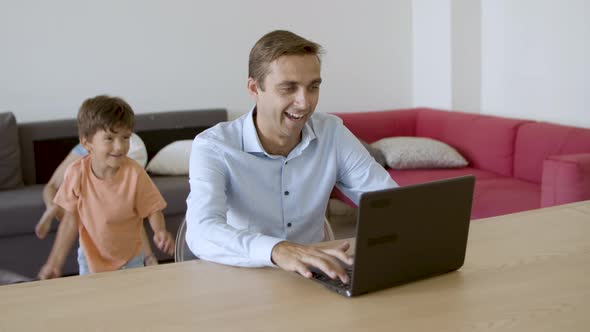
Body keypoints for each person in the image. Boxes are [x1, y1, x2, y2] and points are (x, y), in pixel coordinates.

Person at [185, 30, 397, 284]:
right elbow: (201, 231)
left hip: (317, 278)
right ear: (254, 88)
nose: (304, 103)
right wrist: (277, 250)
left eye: (313, 87)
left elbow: (390, 201)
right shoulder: (213, 146)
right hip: (242, 279)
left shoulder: (332, 132)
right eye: (288, 88)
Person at [38, 95, 175, 279]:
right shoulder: (76, 173)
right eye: (109, 138)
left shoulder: (134, 173)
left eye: (125, 137)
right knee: (95, 305)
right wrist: (54, 263)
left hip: (130, 259)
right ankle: (51, 208)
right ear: (86, 142)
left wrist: (160, 231)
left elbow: (152, 208)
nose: (119, 147)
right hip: (90, 260)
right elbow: (70, 221)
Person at [35, 139, 159, 266]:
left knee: (52, 186)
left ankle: (52, 206)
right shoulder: (123, 145)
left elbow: (51, 187)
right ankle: (149, 258)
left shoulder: (103, 144)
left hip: (99, 142)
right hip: (105, 145)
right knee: (125, 207)